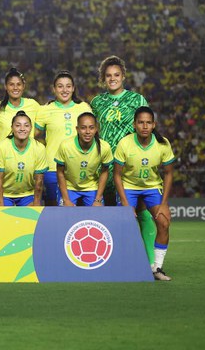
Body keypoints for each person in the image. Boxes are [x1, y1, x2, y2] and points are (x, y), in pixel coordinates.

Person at [90, 55, 155, 266]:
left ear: (123, 76)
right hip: (104, 166)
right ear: (103, 78)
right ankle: (113, 261)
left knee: (141, 212)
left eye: (116, 75)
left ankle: (149, 263)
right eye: (108, 75)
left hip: (129, 167)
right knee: (110, 215)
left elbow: (147, 130)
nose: (112, 79)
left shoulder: (137, 100)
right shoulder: (96, 102)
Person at [113, 107, 175, 281]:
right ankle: (125, 265)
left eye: (148, 123)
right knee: (126, 222)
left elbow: (169, 173)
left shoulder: (163, 144)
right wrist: (125, 203)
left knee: (163, 222)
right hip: (129, 186)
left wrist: (164, 203)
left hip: (152, 187)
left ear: (154, 125)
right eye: (141, 122)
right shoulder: (125, 143)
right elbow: (116, 175)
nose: (145, 126)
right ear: (134, 125)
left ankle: (157, 268)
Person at [35, 71, 92, 206]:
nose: (64, 90)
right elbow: (30, 136)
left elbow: (92, 134)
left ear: (73, 88)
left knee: (81, 211)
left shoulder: (83, 107)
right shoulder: (45, 110)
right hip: (52, 167)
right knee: (54, 209)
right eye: (60, 86)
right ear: (54, 89)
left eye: (68, 86)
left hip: (79, 166)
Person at [55, 112, 112, 207]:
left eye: (91, 128)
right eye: (83, 128)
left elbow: (105, 172)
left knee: (98, 213)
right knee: (65, 213)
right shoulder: (65, 146)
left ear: (96, 129)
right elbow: (60, 172)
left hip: (91, 187)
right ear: (77, 129)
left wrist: (98, 199)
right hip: (69, 187)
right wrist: (66, 199)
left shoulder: (104, 147)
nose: (87, 132)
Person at [0, 111, 48, 206]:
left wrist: (36, 204)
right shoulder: (2, 147)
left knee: (30, 215)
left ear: (31, 128)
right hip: (5, 194)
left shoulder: (39, 148)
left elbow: (39, 181)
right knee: (2, 215)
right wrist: (0, 205)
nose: (22, 129)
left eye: (26, 125)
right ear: (12, 128)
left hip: (28, 194)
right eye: (18, 125)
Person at [0, 68, 40, 143]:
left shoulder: (33, 105)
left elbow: (41, 126)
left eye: (19, 84)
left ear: (23, 86)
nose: (15, 88)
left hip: (29, 150)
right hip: (4, 150)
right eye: (11, 84)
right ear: (5, 86)